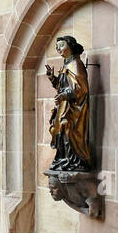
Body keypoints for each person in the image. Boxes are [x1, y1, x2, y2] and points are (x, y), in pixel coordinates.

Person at [46, 35, 92, 171]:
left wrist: (64, 95)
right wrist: (52, 78)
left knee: (68, 131)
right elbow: (61, 87)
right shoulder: (66, 64)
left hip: (73, 109)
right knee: (59, 131)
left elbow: (81, 88)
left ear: (70, 46)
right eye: (57, 47)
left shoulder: (76, 64)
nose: (59, 49)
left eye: (61, 46)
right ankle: (64, 159)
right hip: (64, 106)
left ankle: (75, 161)